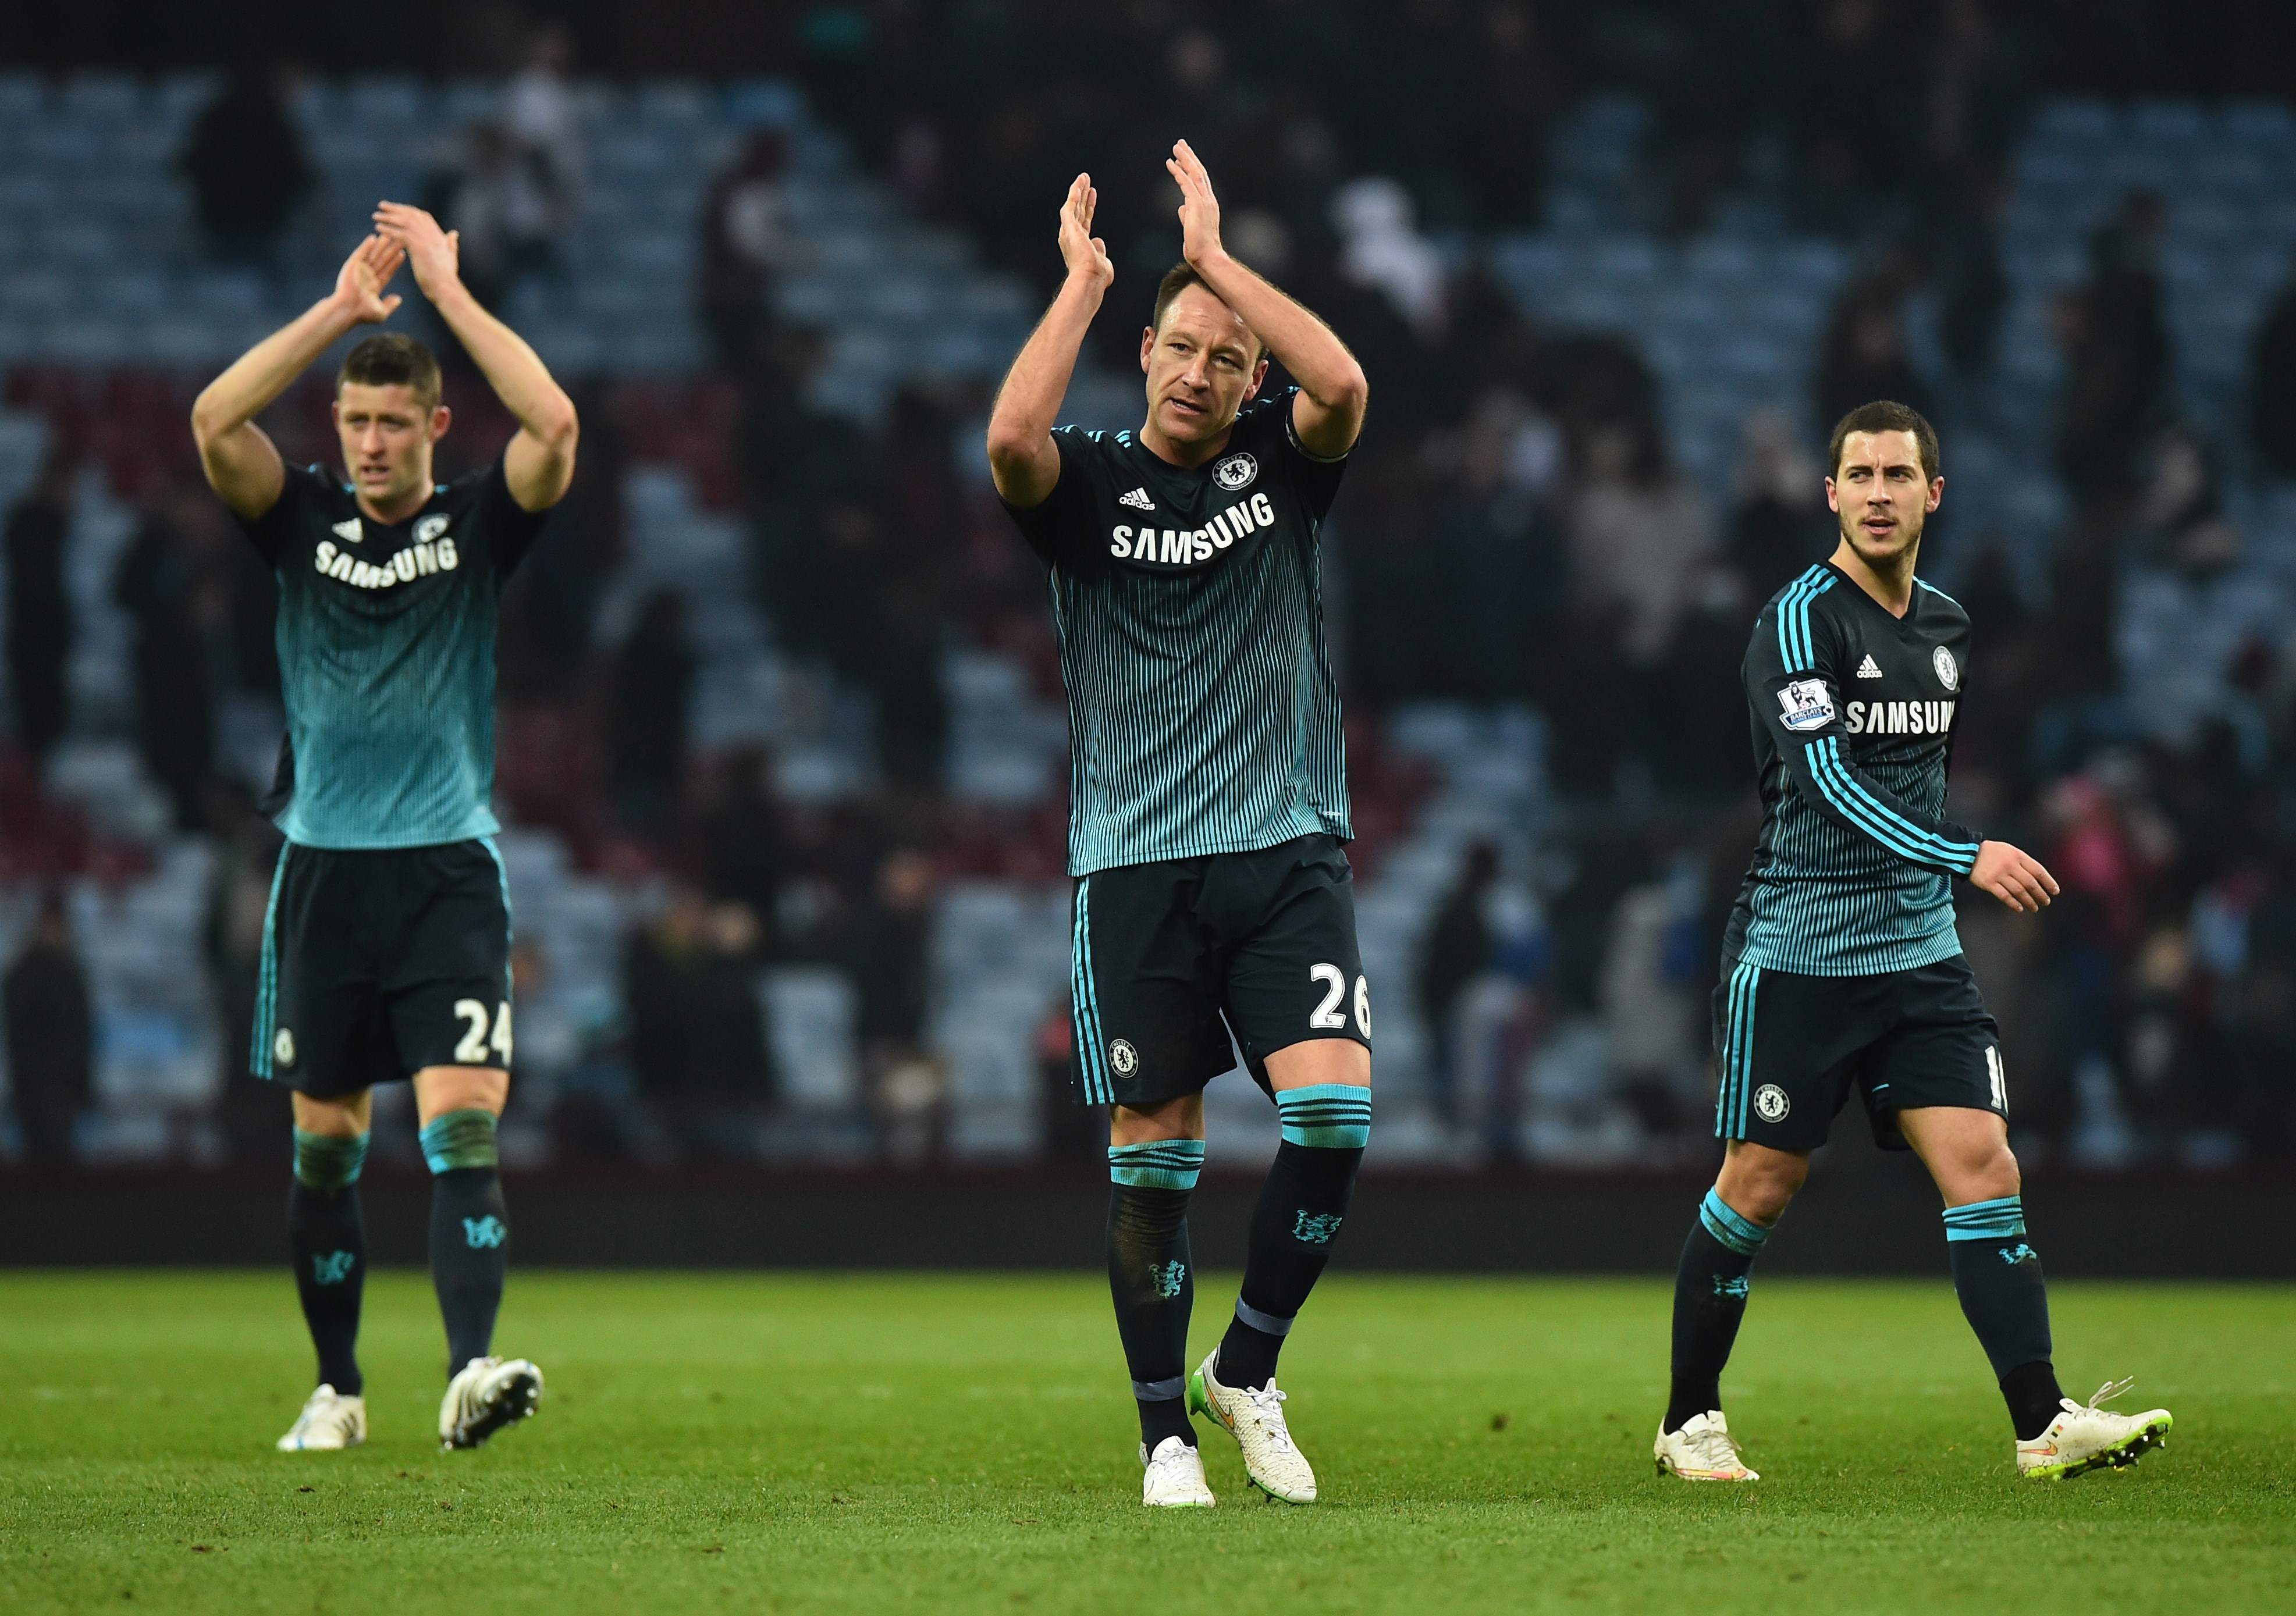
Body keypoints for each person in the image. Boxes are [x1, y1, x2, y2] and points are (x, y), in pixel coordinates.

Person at [1655, 400, 2173, 1486]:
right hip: (1799, 954)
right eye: (1861, 474)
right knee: (1757, 1183)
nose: (1880, 492)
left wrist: (1941, 874)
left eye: (1900, 474)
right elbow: (1824, 781)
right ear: (1831, 493)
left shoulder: (1945, 624)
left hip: (1919, 958)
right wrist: (1964, 853)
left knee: (1984, 1164)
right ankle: (1689, 1417)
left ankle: (2042, 1420)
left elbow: (1912, 776)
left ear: (1934, 493)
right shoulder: (1796, 622)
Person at [987, 143, 1370, 1510]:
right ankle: (1162, 1433)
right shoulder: (1085, 486)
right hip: (1135, 861)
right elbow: (1006, 444)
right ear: (1143, 352)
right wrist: (1084, 283)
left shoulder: (1282, 458)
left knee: (1332, 1110)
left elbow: (1344, 387)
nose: (1201, 371)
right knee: (1155, 1150)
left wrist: (1217, 260)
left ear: (1243, 375)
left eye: (1223, 354)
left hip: (1282, 845)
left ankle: (1245, 1364)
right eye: (1182, 346)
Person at [190, 209, 578, 1454]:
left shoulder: (472, 530)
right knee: (325, 1149)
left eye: (390, 422)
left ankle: (468, 1370)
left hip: (447, 874)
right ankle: (338, 1388)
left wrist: (449, 298)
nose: (366, 442)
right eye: (353, 421)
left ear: (432, 427)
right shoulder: (297, 523)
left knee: (462, 1121)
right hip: (322, 877)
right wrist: (341, 318)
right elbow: (211, 422)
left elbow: (557, 427)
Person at [3, 891, 93, 1165]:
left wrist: (81, 1081)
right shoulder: (22, 974)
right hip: (34, 1086)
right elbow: (18, 1036)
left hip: (64, 1085)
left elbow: (81, 1033)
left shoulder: (72, 972)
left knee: (61, 1160)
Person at [4, 450, 75, 770]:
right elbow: (35, 587)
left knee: (51, 720)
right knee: (36, 720)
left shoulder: (60, 525)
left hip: (50, 637)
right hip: (32, 636)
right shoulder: (29, 523)